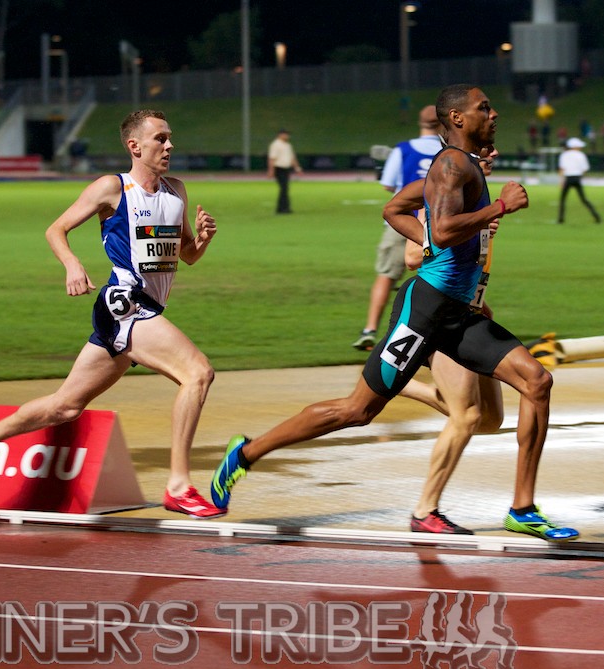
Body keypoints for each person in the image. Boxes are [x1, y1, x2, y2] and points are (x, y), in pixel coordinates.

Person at [211, 84, 579, 542]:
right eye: (484, 108)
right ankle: (245, 454)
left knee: (536, 381)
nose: (495, 113)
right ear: (459, 119)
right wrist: (498, 207)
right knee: (356, 411)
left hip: (460, 315)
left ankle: (522, 508)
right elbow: (442, 231)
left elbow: (395, 207)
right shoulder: (449, 164)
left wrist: (435, 232)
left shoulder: (464, 167)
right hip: (423, 312)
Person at [0, 109, 225, 519]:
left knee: (64, 407)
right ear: (135, 146)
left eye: (170, 138)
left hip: (144, 311)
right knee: (197, 372)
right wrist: (73, 265)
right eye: (160, 139)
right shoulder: (112, 188)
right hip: (125, 304)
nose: (169, 146)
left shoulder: (176, 191)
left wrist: (201, 240)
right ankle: (178, 485)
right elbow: (55, 230)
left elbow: (185, 256)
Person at [391, 146, 506, 534]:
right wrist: (464, 229)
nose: (488, 164)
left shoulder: (480, 206)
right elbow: (411, 258)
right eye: (482, 158)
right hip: (441, 319)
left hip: (472, 314)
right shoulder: (442, 204)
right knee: (467, 416)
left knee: (490, 420)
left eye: (491, 160)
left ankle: (405, 385)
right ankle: (426, 510)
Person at [352, 105, 442, 351]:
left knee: (385, 275)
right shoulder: (449, 151)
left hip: (401, 222)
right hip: (438, 224)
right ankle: (432, 333)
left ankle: (370, 329)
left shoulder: (403, 149)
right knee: (436, 279)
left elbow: (388, 185)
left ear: (420, 123)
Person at [557, 137, 600, 224]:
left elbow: (562, 169)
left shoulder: (564, 155)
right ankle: (597, 217)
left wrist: (561, 180)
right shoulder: (581, 155)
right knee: (584, 199)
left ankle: (560, 219)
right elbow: (585, 168)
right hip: (577, 178)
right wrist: (580, 176)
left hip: (568, 179)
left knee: (563, 200)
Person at [267, 128, 302, 214]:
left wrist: (297, 168)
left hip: (286, 168)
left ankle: (284, 208)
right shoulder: (275, 145)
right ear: (280, 135)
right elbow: (272, 158)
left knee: (285, 188)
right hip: (279, 168)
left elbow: (292, 157)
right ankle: (282, 208)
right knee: (284, 188)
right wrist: (271, 170)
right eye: (285, 134)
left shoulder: (288, 145)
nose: (287, 136)